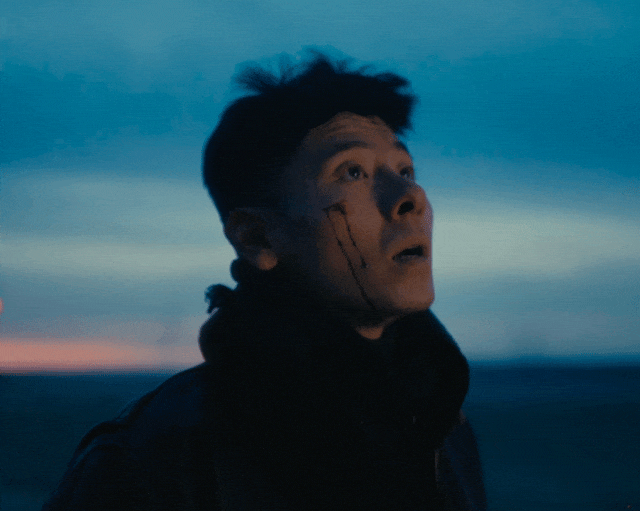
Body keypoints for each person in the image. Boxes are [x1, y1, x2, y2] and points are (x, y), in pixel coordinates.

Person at [43, 53, 487, 510]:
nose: (410, 196)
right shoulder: (154, 456)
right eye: (352, 171)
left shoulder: (439, 423)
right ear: (256, 237)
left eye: (405, 170)